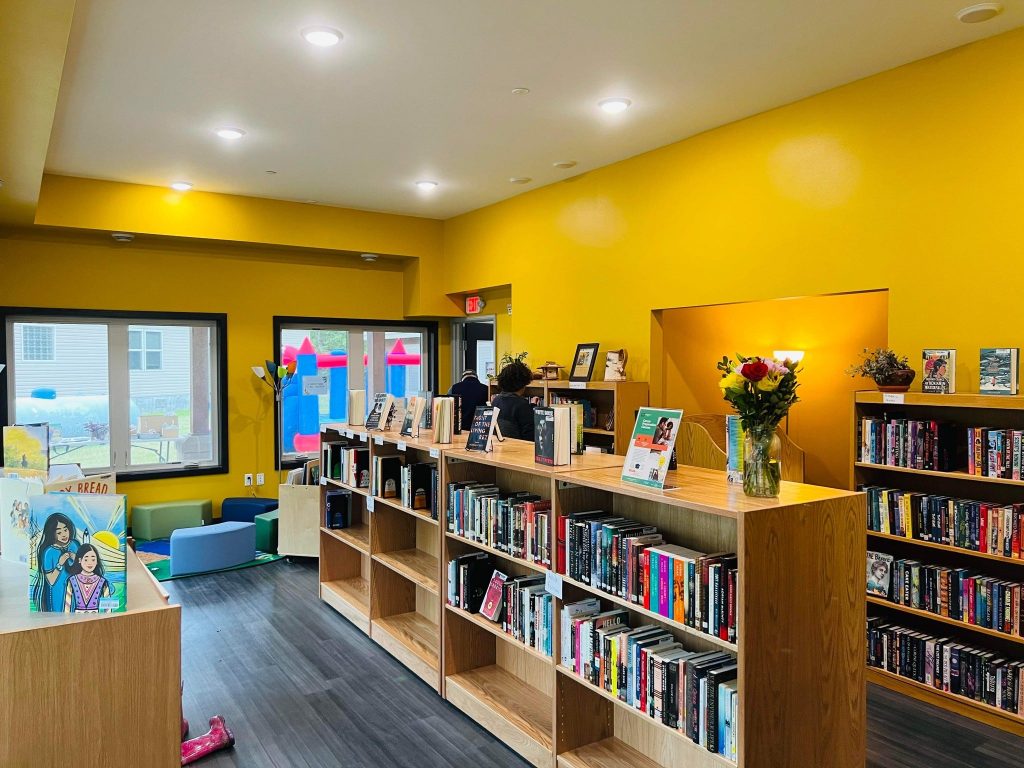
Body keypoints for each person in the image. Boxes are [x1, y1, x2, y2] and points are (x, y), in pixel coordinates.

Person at [32, 512, 80, 612]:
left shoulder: (74, 545)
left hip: (76, 591)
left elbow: (83, 570)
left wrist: (77, 559)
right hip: (57, 594)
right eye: (59, 532)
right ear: (52, 533)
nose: (64, 534)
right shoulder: (49, 552)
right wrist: (60, 564)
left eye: (65, 530)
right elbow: (51, 581)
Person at [491, 361, 536, 441]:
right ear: (523, 383)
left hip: (500, 448)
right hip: (519, 449)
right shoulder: (522, 404)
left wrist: (532, 405)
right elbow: (530, 436)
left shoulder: (496, 400)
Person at [64, 543, 113, 613]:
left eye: (93, 560)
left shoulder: (102, 581)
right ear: (80, 560)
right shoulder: (72, 580)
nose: (90, 563)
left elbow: (108, 608)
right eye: (86, 559)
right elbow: (67, 606)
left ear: (97, 562)